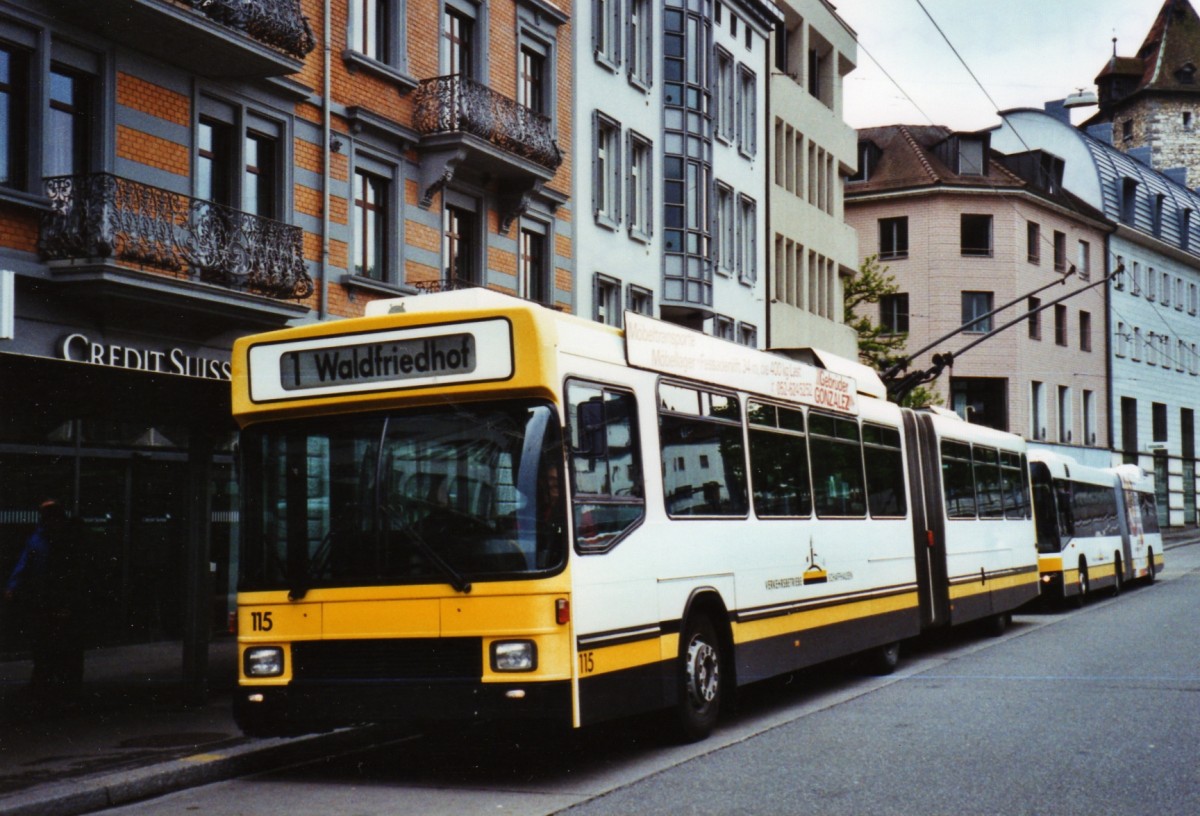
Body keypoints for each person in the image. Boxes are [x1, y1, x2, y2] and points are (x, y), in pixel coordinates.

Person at [4, 500, 86, 705]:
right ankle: (54, 685)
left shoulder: (50, 540)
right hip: (50, 599)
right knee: (52, 643)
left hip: (54, 598)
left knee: (55, 644)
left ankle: (54, 685)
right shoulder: (47, 539)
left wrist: (14, 585)